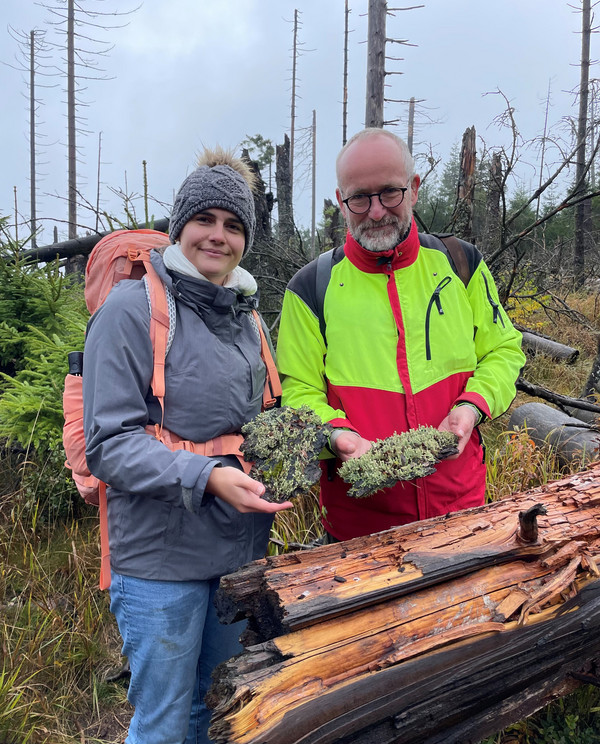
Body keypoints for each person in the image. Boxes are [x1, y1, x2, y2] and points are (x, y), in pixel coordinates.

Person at [82, 148, 292, 744]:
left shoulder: (247, 317)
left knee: (213, 711)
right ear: (179, 227)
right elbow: (109, 445)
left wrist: (314, 447)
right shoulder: (131, 312)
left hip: (237, 555)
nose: (218, 236)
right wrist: (209, 477)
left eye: (233, 225)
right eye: (205, 219)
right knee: (164, 724)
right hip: (160, 563)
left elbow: (263, 422)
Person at [276, 128, 525, 542]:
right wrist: (337, 435)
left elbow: (504, 350)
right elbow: (298, 392)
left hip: (462, 510)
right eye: (359, 198)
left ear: (414, 188)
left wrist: (471, 407)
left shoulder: (460, 264)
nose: (376, 212)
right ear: (341, 201)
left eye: (390, 192)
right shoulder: (310, 288)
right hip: (359, 528)